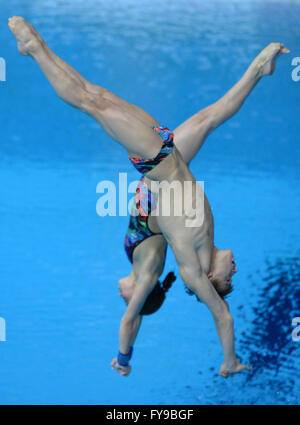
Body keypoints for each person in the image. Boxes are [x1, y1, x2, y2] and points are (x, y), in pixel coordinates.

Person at [8, 16, 289, 377]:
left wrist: (228, 361)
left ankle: (34, 49)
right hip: (168, 153)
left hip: (156, 158)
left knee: (90, 100)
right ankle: (258, 69)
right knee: (206, 117)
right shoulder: (205, 243)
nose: (234, 270)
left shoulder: (193, 269)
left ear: (212, 282)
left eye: (229, 279)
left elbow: (222, 315)